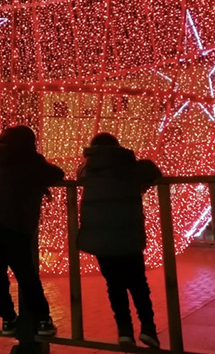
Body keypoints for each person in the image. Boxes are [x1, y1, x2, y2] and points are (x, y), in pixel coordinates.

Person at [0, 125, 64, 338]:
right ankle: (42, 319)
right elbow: (56, 173)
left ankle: (8, 318)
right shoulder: (30, 160)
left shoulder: (1, 159)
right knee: (25, 273)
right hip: (13, 222)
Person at [76, 133, 160, 348]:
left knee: (114, 286)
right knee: (138, 284)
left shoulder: (88, 170)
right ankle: (148, 328)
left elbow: (79, 174)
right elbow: (151, 170)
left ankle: (124, 331)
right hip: (128, 235)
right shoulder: (129, 167)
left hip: (101, 238)